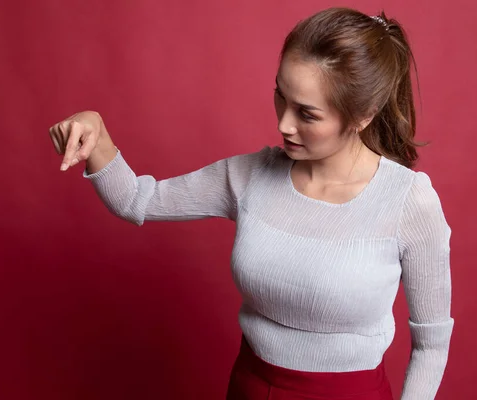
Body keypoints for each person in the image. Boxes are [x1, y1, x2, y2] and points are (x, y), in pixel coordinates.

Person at [49, 7, 453, 400]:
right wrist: (97, 135)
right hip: (250, 386)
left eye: (307, 114)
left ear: (363, 115)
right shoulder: (249, 176)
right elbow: (137, 200)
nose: (283, 124)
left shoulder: (407, 201)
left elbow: (431, 345)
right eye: (281, 95)